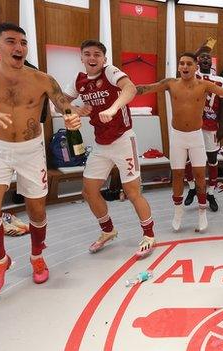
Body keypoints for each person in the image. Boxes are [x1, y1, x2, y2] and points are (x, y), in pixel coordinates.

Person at [0, 23, 81, 295]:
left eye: (23, 42)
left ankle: (37, 256)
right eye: (11, 41)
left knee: (37, 211)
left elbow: (62, 102)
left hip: (32, 151)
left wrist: (70, 115)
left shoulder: (43, 79)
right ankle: (1, 261)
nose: (19, 47)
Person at [63, 39, 157, 258]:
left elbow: (130, 88)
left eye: (97, 54)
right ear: (81, 57)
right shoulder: (79, 81)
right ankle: (108, 231)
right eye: (87, 54)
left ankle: (149, 235)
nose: (92, 58)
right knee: (88, 191)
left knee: (133, 192)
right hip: (100, 144)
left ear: (104, 58)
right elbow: (59, 102)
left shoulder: (110, 72)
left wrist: (114, 108)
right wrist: (74, 109)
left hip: (123, 140)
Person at [136, 52, 223, 232]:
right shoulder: (170, 83)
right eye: (181, 63)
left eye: (188, 63)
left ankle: (202, 212)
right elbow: (146, 88)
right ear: (178, 66)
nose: (184, 66)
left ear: (195, 67)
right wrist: (128, 88)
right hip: (177, 136)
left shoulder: (204, 85)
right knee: (177, 175)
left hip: (196, 136)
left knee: (200, 175)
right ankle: (178, 211)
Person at [183, 50, 223, 212]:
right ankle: (192, 187)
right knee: (188, 157)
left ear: (211, 62)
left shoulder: (219, 79)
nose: (205, 59)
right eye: (202, 57)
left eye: (208, 57)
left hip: (211, 125)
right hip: (192, 124)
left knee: (212, 158)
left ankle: (210, 193)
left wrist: (222, 126)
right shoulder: (192, 75)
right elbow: (180, 71)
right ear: (197, 61)